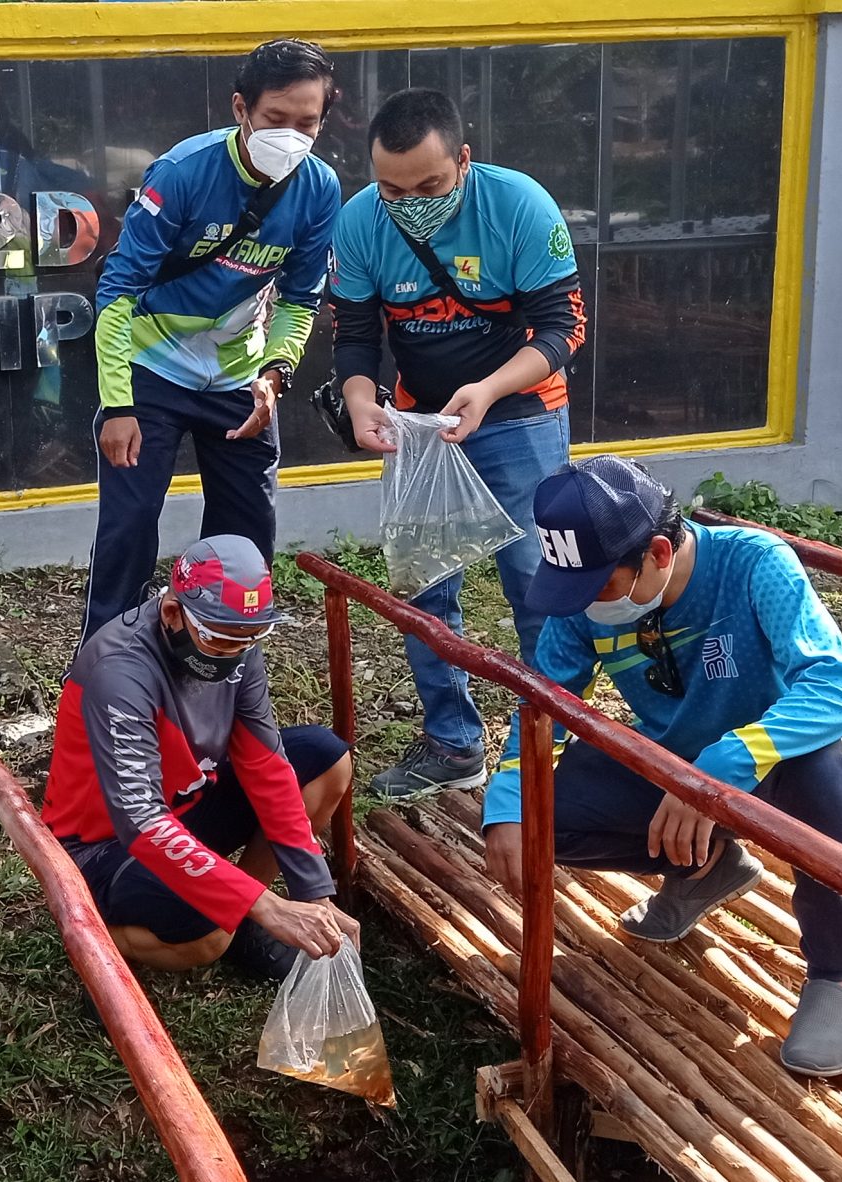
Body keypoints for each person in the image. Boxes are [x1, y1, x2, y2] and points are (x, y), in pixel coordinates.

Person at [480, 457, 842, 1077]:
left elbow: (836, 690)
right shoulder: (583, 603)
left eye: (601, 586)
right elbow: (544, 705)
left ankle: (834, 972)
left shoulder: (754, 565)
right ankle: (707, 866)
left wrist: (719, 769)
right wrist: (507, 801)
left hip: (778, 763)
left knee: (824, 760)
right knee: (541, 812)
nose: (584, 605)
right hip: (678, 764)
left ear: (658, 553)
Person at [328, 87, 588, 799]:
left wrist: (492, 388)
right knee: (423, 588)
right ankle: (452, 742)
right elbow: (354, 336)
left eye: (430, 185)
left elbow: (563, 330)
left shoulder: (519, 206)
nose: (410, 200)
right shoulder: (359, 223)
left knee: (539, 585)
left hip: (522, 415)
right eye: (392, 188)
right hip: (421, 426)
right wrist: (360, 400)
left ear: (463, 161)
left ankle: (549, 743)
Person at [83, 38, 343, 638]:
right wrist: (119, 406)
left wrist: (274, 376)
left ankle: (225, 659)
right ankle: (100, 669)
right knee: (128, 526)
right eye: (276, 119)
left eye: (308, 122)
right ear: (241, 109)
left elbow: (301, 299)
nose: (291, 136)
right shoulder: (183, 172)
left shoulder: (320, 188)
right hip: (151, 369)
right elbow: (119, 291)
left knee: (248, 536)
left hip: (239, 377)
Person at [45, 536, 360, 981]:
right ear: (173, 613)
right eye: (219, 640)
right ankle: (100, 943)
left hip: (187, 800)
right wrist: (264, 904)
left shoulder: (237, 647)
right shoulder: (120, 671)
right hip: (104, 843)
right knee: (208, 934)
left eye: (250, 639)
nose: (235, 653)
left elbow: (266, 766)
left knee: (325, 759)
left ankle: (244, 923)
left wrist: (314, 893)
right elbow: (140, 818)